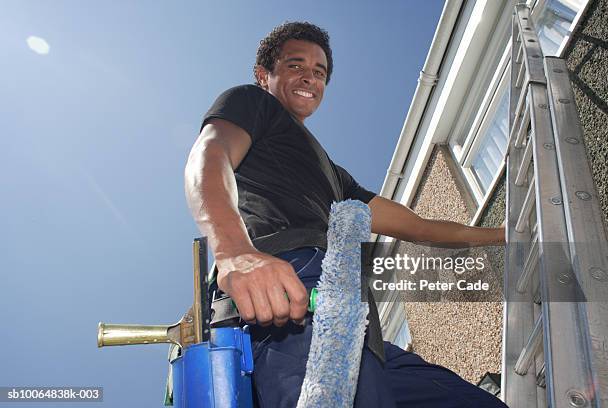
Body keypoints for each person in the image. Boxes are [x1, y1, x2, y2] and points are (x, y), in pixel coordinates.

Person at [184, 21, 508, 408]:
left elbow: (418, 227)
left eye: (319, 72)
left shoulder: (335, 178)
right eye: (295, 66)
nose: (310, 78)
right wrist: (234, 251)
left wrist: (503, 234)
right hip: (286, 288)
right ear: (263, 75)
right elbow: (208, 157)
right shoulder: (252, 102)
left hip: (355, 317)